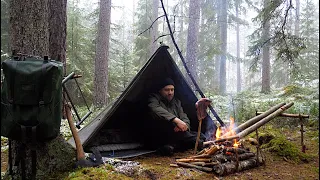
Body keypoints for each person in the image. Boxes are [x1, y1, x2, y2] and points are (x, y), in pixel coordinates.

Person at [145, 77, 206, 156]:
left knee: (200, 135)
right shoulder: (153, 99)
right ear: (160, 90)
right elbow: (156, 109)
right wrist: (176, 121)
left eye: (172, 89)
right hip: (160, 133)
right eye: (166, 90)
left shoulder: (176, 102)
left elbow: (183, 116)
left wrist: (185, 126)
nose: (170, 92)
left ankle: (171, 147)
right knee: (189, 138)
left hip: (176, 133)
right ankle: (198, 144)